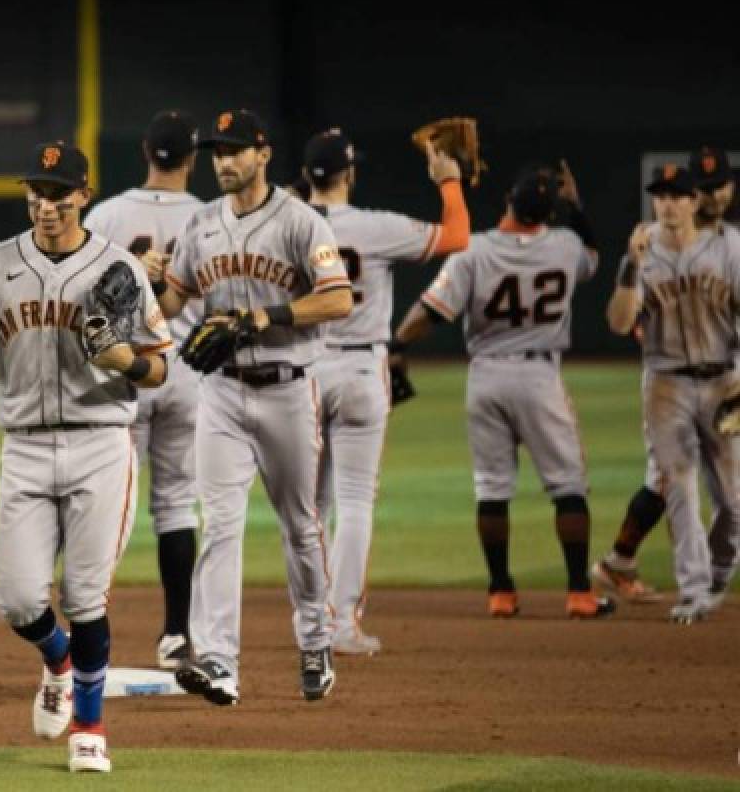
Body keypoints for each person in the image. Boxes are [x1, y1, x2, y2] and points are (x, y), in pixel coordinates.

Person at [0, 141, 171, 773]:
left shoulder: (119, 268)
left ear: (84, 195)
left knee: (86, 597)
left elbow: (159, 365)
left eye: (57, 192)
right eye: (35, 190)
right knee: (19, 600)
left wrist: (124, 361)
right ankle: (57, 660)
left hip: (99, 444)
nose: (44, 203)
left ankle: (89, 723)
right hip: (24, 447)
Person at [154, 109, 353, 705]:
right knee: (220, 525)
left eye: (237, 149)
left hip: (290, 389)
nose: (225, 160)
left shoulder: (299, 221)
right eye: (218, 151)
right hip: (221, 393)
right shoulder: (200, 224)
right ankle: (218, 661)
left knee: (301, 525)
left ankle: (315, 641)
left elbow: (338, 299)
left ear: (264, 155)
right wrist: (150, 282)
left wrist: (269, 316)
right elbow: (172, 301)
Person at [393, 165, 611, 619]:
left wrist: (395, 345)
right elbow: (593, 254)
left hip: (486, 376)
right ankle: (578, 593)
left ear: (509, 199)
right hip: (540, 378)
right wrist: (577, 206)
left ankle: (500, 592)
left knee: (492, 488)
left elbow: (431, 312)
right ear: (549, 213)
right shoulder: (565, 246)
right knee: (568, 487)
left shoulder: (473, 249)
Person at [304, 127, 469, 654]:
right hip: (359, 369)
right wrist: (449, 182)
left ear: (308, 176)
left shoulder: (286, 225)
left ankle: (310, 623)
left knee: (308, 506)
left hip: (303, 372)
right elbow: (456, 237)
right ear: (350, 175)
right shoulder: (375, 226)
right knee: (353, 502)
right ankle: (343, 626)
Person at [83, 109, 202, 669]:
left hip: (122, 372)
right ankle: (177, 634)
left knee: (107, 508)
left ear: (145, 154)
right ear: (194, 158)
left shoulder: (106, 214)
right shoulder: (211, 217)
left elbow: (81, 296)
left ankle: (89, 633)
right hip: (185, 372)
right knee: (177, 504)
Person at [592, 147, 737, 610]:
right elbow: (618, 323)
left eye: (677, 196)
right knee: (677, 485)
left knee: (734, 503)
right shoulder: (641, 249)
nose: (668, 204)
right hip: (666, 383)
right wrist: (630, 268)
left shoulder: (727, 248)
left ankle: (715, 577)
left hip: (722, 381)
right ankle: (693, 590)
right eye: (661, 196)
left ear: (695, 201)